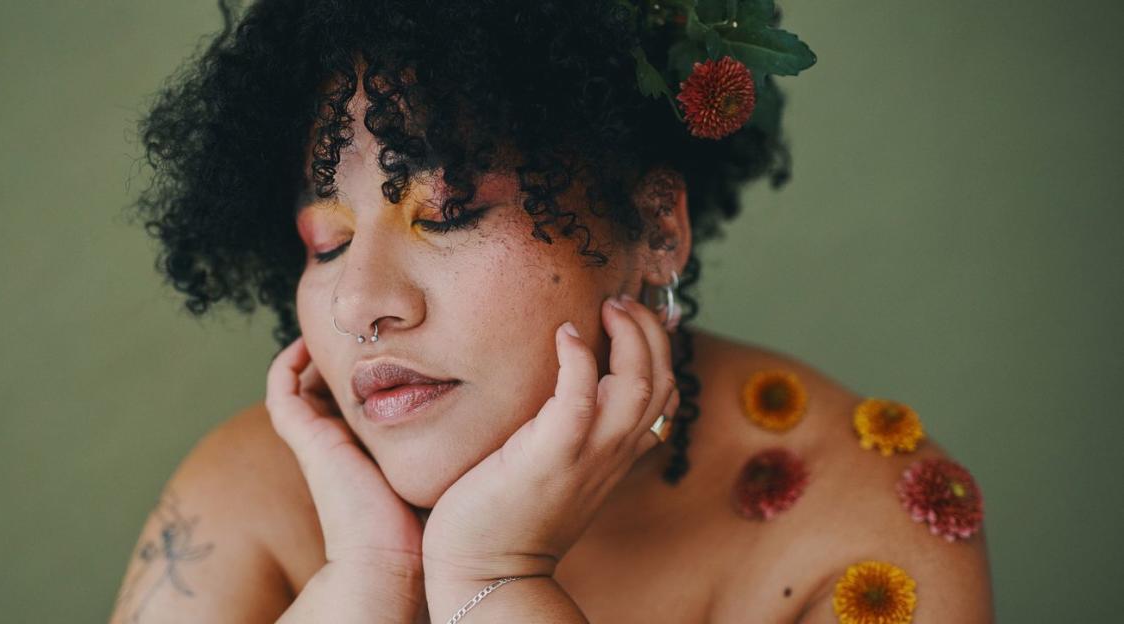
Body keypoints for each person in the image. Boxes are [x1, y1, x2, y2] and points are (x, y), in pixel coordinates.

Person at [110, 1, 994, 622]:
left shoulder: (863, 523)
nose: (359, 303)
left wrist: (496, 579)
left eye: (448, 211)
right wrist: (367, 583)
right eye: (325, 242)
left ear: (654, 226)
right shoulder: (257, 494)